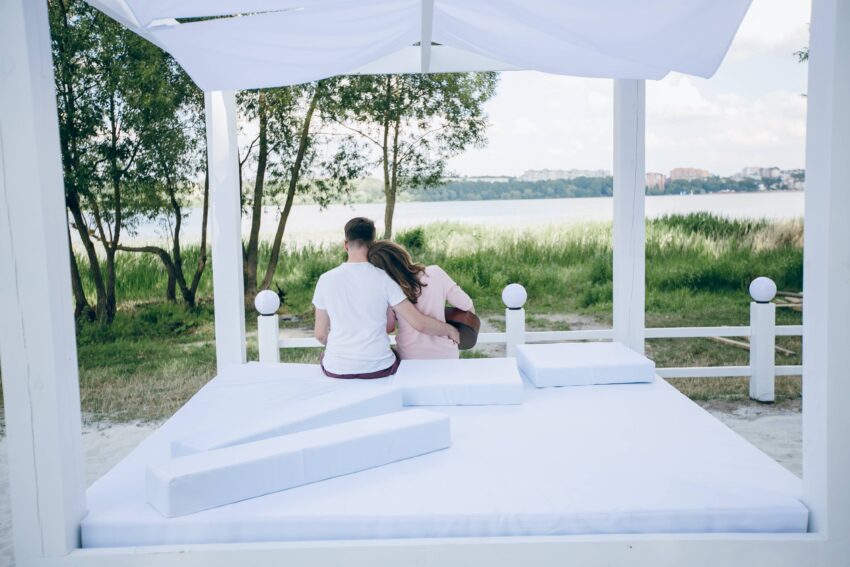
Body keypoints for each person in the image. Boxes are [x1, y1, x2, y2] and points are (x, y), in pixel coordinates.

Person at [312, 217, 460, 378]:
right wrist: (450, 329)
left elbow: (320, 334)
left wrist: (340, 350)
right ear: (372, 243)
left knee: (326, 358)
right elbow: (419, 323)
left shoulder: (325, 279)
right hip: (379, 368)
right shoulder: (385, 279)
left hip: (337, 368)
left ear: (346, 244)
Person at [367, 240, 474, 360]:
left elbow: (389, 327)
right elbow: (467, 306)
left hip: (410, 356)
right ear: (401, 254)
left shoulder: (390, 289)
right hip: (446, 354)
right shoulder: (435, 273)